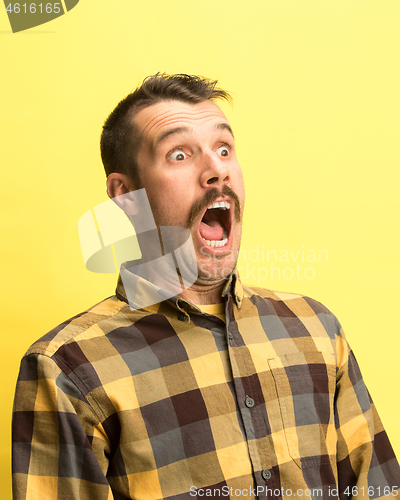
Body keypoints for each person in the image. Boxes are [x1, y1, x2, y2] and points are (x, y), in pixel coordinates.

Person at [12, 74, 400, 500]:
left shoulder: (316, 329)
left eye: (224, 149)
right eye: (180, 154)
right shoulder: (66, 368)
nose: (217, 170)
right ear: (125, 198)